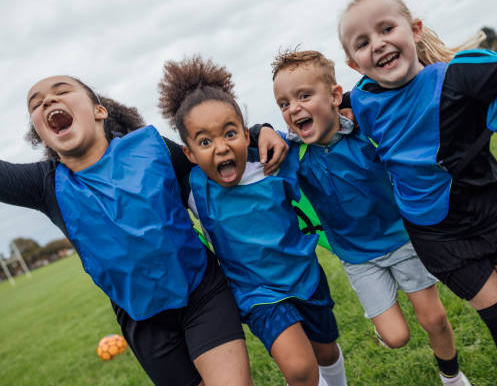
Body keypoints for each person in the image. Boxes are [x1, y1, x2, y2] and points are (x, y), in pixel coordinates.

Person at [337, 0, 497, 386]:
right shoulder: (362, 101)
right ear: (356, 64)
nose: (379, 44)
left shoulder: (458, 79)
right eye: (363, 43)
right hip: (437, 234)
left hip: (493, 213)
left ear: (415, 30)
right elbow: (316, 107)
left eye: (387, 28)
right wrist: (261, 132)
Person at [2, 75, 289, 386]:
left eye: (61, 92)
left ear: (99, 111)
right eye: (35, 103)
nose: (46, 101)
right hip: (144, 322)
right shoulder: (46, 185)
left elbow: (211, 153)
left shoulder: (152, 147)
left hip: (201, 293)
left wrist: (261, 132)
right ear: (43, 135)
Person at [271, 49, 470, 386]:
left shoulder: (368, 131)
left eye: (304, 95)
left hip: (404, 239)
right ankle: (384, 327)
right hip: (359, 258)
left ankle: (452, 376)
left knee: (434, 318)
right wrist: (264, 129)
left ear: (335, 96)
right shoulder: (293, 156)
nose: (293, 108)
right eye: (284, 103)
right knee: (397, 337)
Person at [158, 55, 348, 386]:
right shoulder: (194, 188)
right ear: (189, 155)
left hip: (306, 278)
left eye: (229, 133)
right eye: (204, 142)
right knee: (301, 368)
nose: (220, 147)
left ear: (246, 135)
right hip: (257, 295)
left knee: (326, 352)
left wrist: (268, 130)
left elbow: (323, 130)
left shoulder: (275, 161)